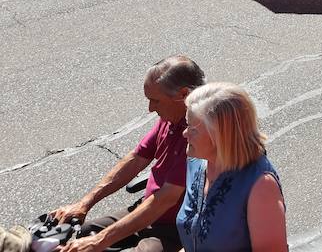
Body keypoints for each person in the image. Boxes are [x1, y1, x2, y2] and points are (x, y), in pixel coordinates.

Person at [52, 57, 206, 252]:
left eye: (155, 100)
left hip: (173, 226)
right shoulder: (172, 118)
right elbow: (136, 158)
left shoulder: (198, 133)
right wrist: (84, 204)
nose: (150, 108)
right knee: (86, 232)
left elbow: (165, 200)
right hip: (147, 208)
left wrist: (98, 242)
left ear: (183, 94)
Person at [178, 83, 287, 252]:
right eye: (187, 125)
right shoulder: (196, 162)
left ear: (220, 137)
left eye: (193, 129)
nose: (185, 133)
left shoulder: (261, 186)